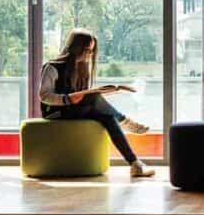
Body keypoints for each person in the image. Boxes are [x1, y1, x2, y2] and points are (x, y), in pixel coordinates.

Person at [39, 29, 155, 178]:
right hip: (54, 111)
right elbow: (44, 95)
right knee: (93, 97)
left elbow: (84, 96)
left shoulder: (81, 68)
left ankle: (135, 164)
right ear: (76, 47)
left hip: (74, 109)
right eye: (87, 50)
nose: (90, 54)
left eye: (92, 51)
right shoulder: (52, 67)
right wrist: (67, 98)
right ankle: (125, 121)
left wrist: (115, 90)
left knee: (108, 118)